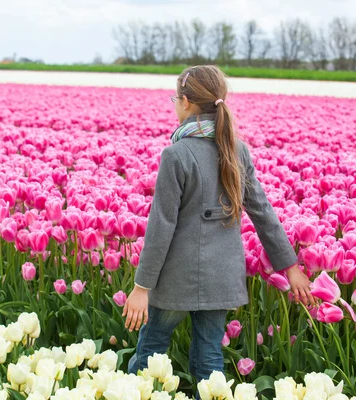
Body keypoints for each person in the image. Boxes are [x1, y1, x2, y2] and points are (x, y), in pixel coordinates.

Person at [123, 65, 315, 397]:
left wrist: (142, 286)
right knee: (209, 354)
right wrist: (291, 267)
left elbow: (161, 225)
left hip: (176, 278)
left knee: (152, 346)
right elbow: (263, 213)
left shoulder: (177, 154)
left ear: (185, 102)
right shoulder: (237, 150)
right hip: (220, 275)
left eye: (174, 99)